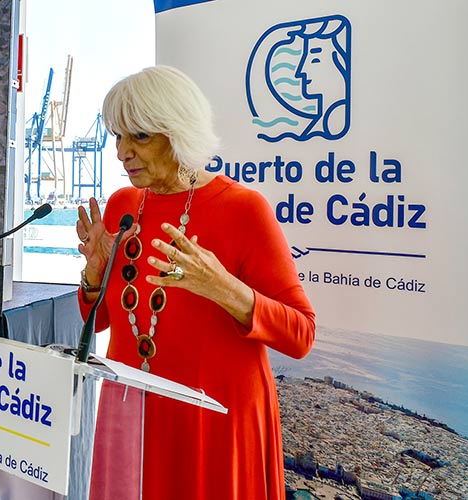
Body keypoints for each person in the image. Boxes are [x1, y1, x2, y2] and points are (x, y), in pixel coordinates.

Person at [75, 66, 316, 500]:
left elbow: (301, 334)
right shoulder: (123, 205)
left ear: (179, 132)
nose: (122, 153)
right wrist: (93, 276)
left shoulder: (245, 209)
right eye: (118, 137)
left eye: (140, 137)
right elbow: (103, 320)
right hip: (131, 412)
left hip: (214, 424)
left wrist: (223, 287)